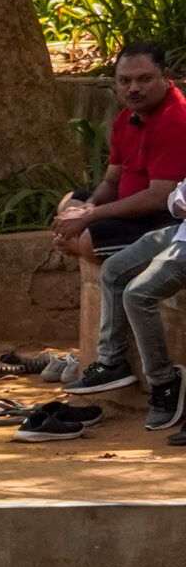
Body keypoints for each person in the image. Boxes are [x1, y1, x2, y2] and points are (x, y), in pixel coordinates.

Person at [58, 41, 186, 397]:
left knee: (89, 242)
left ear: (165, 76)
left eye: (144, 79)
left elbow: (160, 196)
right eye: (125, 80)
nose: (134, 88)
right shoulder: (126, 118)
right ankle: (112, 362)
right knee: (68, 204)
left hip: (162, 218)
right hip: (130, 207)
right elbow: (112, 181)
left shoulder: (175, 121)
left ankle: (138, 373)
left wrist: (91, 219)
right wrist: (86, 210)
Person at [102, 176, 186, 436]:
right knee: (113, 270)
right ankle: (111, 362)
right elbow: (176, 194)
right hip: (178, 232)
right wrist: (178, 204)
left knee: (137, 294)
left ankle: (165, 383)